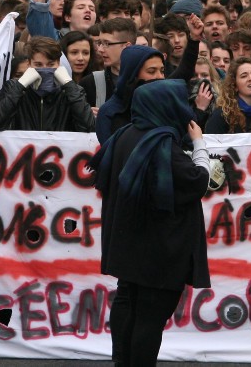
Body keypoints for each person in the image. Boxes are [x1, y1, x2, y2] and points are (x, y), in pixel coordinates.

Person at [92, 79, 211, 367]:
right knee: (149, 318)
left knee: (130, 309)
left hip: (129, 243)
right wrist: (199, 145)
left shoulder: (123, 135)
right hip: (158, 250)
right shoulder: (160, 144)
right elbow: (197, 181)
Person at [0, 36, 95, 132]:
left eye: (50, 64)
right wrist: (20, 85)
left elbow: (88, 126)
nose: (45, 69)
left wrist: (69, 85)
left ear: (58, 63)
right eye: (38, 64)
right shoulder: (13, 87)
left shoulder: (73, 90)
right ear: (29, 63)